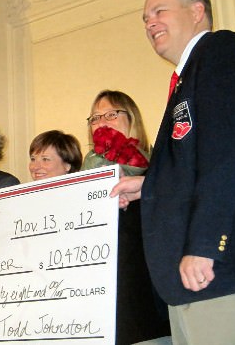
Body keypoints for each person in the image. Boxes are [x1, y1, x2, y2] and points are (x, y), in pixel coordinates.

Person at [111, 0, 235, 343]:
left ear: (197, 12)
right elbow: (198, 155)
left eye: (159, 11)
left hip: (225, 270)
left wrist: (206, 245)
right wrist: (149, 184)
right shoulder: (186, 78)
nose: (150, 23)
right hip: (194, 281)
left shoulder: (221, 50)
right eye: (145, 18)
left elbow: (228, 153)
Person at [83, 90, 170, 345]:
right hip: (105, 294)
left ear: (132, 118)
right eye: (95, 118)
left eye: (111, 114)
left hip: (150, 287)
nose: (102, 122)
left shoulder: (162, 164)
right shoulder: (86, 171)